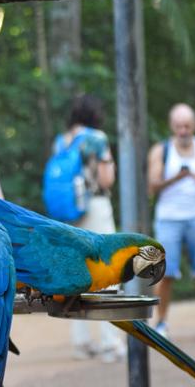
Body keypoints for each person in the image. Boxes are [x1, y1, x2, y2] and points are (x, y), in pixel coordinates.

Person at [147, 103, 195, 344]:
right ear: (172, 126)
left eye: (187, 125)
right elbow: (152, 187)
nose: (183, 130)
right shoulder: (161, 151)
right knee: (164, 274)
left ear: (194, 125)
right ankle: (161, 324)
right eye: (179, 126)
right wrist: (177, 177)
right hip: (169, 219)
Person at [54, 94, 124, 363]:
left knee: (76, 274)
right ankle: (110, 343)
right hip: (93, 207)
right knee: (106, 271)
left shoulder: (61, 140)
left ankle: (81, 342)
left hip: (68, 212)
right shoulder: (97, 138)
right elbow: (106, 180)